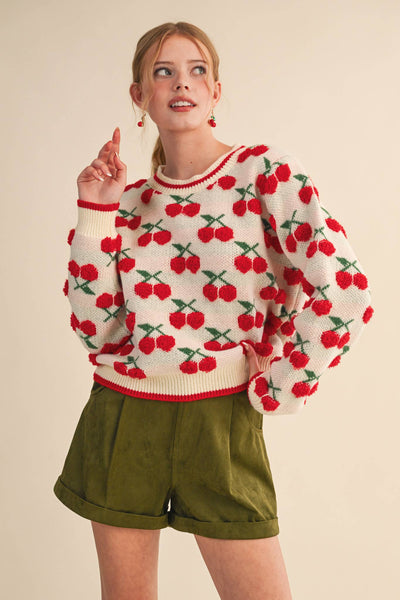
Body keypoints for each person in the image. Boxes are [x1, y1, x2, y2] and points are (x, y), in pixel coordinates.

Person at [53, 21, 374, 600]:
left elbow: (345, 290)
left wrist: (279, 386)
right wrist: (95, 212)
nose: (182, 83)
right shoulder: (126, 202)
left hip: (222, 420)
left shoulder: (265, 173)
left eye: (197, 70)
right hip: (122, 417)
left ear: (216, 91)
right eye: (163, 72)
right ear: (139, 95)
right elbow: (96, 330)